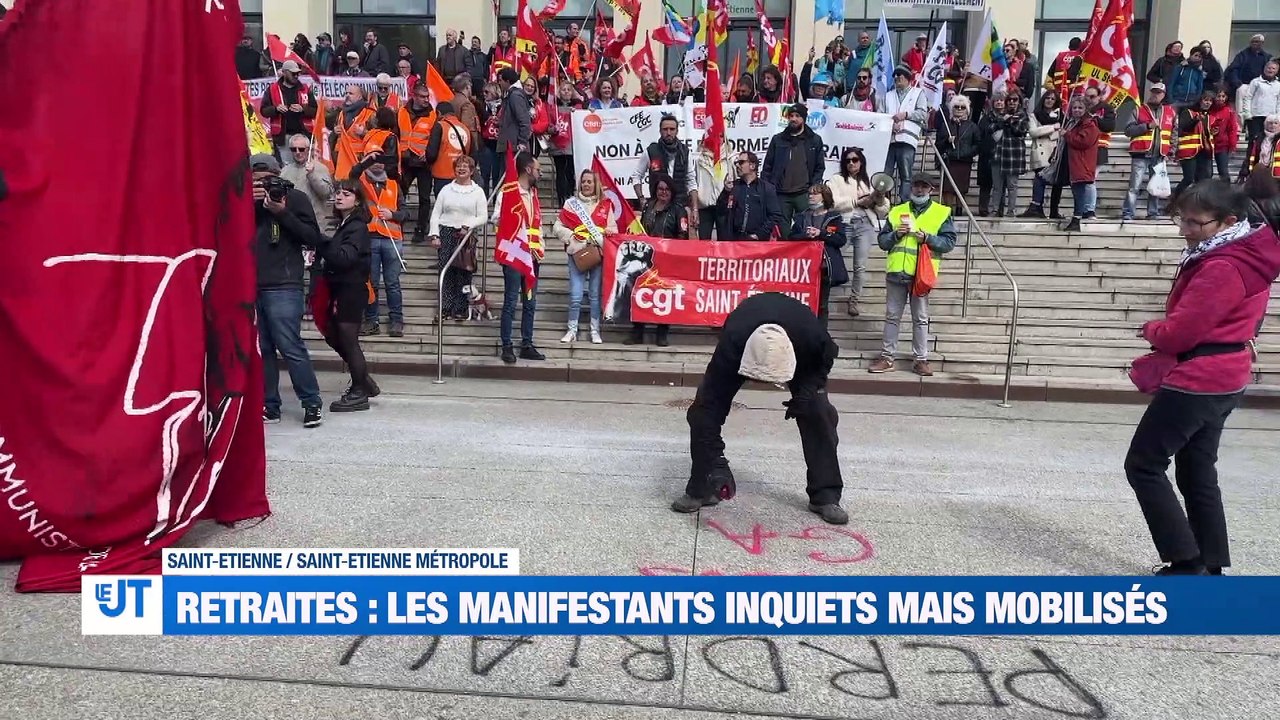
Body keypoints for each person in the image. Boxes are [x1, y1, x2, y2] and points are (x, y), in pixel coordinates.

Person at [1125, 181, 1280, 575]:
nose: (1184, 229)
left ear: (1228, 221)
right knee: (1196, 468)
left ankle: (1186, 559)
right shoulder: (1245, 254)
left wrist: (1152, 330)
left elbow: (1182, 331)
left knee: (1144, 463)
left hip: (1200, 375)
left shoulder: (1223, 265)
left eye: (1195, 223)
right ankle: (1210, 560)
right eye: (1182, 219)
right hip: (1227, 373)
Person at [673, 292, 847, 525]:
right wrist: (716, 461)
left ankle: (825, 496)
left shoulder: (813, 338)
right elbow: (710, 407)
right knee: (702, 411)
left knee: (819, 413)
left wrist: (806, 394)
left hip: (801, 354)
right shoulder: (733, 340)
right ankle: (703, 486)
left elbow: (823, 364)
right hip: (744, 346)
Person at [250, 154, 324, 427]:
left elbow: (312, 237)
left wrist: (281, 212)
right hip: (251, 283)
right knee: (263, 348)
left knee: (290, 346)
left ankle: (311, 402)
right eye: (257, 181)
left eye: (268, 180)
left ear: (278, 174)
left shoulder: (295, 198)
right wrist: (248, 204)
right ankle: (270, 405)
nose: (264, 186)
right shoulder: (243, 201)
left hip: (284, 283)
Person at [867, 176, 956, 377]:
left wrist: (928, 238)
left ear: (931, 190)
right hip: (897, 272)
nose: (919, 190)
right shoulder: (897, 211)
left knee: (921, 318)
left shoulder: (941, 213)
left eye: (924, 186)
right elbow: (882, 241)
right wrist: (896, 234)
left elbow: (949, 242)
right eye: (916, 186)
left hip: (921, 274)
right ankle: (887, 357)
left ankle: (921, 360)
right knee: (892, 317)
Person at [317, 180, 378, 412]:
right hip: (342, 287)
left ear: (358, 200)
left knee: (348, 339)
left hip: (351, 289)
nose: (340, 197)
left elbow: (345, 258)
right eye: (338, 193)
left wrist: (322, 242)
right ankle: (363, 380)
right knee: (335, 335)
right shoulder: (346, 224)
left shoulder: (357, 226)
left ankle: (359, 390)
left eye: (346, 194)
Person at [494, 151, 546, 364]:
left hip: (532, 256)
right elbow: (497, 218)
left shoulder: (533, 194)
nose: (540, 173)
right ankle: (507, 345)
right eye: (538, 169)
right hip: (515, 255)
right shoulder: (508, 191)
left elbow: (538, 224)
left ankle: (527, 343)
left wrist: (540, 247)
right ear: (527, 169)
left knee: (530, 302)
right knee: (510, 301)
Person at [554, 169, 616, 345]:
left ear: (595, 184)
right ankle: (571, 329)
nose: (586, 185)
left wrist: (608, 232)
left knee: (595, 295)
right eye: (583, 181)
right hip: (577, 254)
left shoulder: (605, 205)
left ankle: (595, 330)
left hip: (597, 254)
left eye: (589, 182)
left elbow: (614, 229)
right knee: (575, 295)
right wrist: (572, 235)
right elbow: (557, 227)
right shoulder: (570, 204)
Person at [629, 174, 689, 347]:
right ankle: (637, 332)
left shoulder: (679, 210)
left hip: (667, 259)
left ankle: (662, 333)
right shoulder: (648, 206)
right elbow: (640, 228)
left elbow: (682, 235)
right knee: (640, 293)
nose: (663, 192)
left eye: (667, 189)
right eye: (660, 189)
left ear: (672, 192)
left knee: (663, 296)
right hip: (646, 258)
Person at [828, 148, 888, 318]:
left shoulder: (869, 182)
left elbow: (884, 211)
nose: (851, 163)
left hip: (865, 225)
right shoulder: (837, 179)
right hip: (844, 224)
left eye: (855, 160)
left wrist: (878, 199)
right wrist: (857, 201)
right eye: (848, 160)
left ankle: (854, 299)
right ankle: (824, 291)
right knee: (832, 259)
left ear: (861, 162)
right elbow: (832, 203)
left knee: (860, 266)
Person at [427, 155, 487, 322]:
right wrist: (434, 234)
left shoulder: (478, 192)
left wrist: (468, 224)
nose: (461, 169)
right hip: (446, 232)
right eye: (458, 166)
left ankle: (460, 308)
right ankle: (445, 307)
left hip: (466, 236)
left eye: (465, 167)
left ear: (472, 171)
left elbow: (483, 216)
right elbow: (436, 214)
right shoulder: (446, 190)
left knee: (464, 272)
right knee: (445, 271)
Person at [356, 153, 409, 337]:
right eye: (373, 160)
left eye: (380, 161)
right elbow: (350, 176)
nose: (377, 164)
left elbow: (405, 213)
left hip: (392, 239)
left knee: (392, 283)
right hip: (369, 238)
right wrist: (364, 161)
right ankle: (372, 320)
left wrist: (392, 214)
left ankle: (396, 320)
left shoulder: (394, 185)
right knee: (371, 283)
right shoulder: (361, 184)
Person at [789, 184, 846, 327]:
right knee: (803, 305)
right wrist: (805, 235)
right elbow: (791, 238)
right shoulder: (801, 217)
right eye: (809, 194)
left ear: (824, 197)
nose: (811, 196)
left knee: (822, 305)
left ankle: (821, 337)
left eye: (815, 194)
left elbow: (840, 239)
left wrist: (821, 234)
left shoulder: (834, 217)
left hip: (823, 268)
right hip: (804, 268)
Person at [762, 104, 825, 229]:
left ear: (804, 119)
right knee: (781, 231)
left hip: (803, 194)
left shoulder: (814, 140)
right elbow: (767, 167)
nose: (793, 119)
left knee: (804, 228)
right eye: (791, 116)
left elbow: (819, 167)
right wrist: (768, 189)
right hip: (780, 194)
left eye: (797, 116)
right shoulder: (778, 140)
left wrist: (813, 187)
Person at [633, 114, 699, 230]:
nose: (668, 132)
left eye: (672, 129)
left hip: (680, 206)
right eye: (665, 129)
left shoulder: (685, 152)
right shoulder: (651, 151)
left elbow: (691, 181)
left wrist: (694, 209)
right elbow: (636, 176)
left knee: (681, 242)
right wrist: (642, 199)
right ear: (660, 131)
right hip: (657, 207)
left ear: (677, 131)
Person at [1123, 83, 1176, 220]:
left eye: (1158, 93)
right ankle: (1128, 213)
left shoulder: (1170, 112)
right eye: (1153, 92)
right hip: (1140, 154)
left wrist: (1171, 151)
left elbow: (1174, 133)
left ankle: (1152, 213)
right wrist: (1147, 126)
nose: (1154, 95)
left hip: (1160, 156)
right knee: (1134, 186)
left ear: (1163, 95)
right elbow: (1128, 131)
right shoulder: (1139, 109)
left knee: (1156, 187)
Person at [877, 67, 929, 201]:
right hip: (889, 140)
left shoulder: (918, 93)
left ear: (908, 79)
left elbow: (923, 113)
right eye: (896, 76)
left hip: (907, 139)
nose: (897, 78)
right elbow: (880, 115)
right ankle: (882, 201)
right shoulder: (888, 95)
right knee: (885, 173)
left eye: (901, 76)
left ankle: (904, 201)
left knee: (906, 174)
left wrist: (906, 114)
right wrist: (890, 125)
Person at [397, 82, 437, 244]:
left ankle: (420, 229)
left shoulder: (433, 115)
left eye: (427, 97)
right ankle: (398, 224)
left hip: (423, 162)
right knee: (400, 194)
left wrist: (428, 154)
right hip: (406, 160)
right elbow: (396, 133)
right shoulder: (402, 112)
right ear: (414, 96)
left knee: (424, 198)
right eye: (422, 97)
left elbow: (434, 139)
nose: (426, 100)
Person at [717, 151, 783, 241]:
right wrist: (726, 192)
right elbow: (720, 210)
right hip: (733, 241)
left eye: (741, 162)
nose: (737, 166)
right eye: (736, 163)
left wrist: (759, 235)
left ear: (752, 166)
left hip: (757, 243)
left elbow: (775, 215)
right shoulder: (733, 186)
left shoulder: (767, 188)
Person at [983, 92, 1030, 217]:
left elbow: (1019, 131)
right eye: (1009, 100)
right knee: (997, 186)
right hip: (998, 154)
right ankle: (995, 210)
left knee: (1012, 185)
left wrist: (1007, 121)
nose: (1012, 102)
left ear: (1019, 101)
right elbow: (990, 129)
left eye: (1015, 100)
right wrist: (1003, 121)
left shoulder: (1022, 116)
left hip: (1013, 155)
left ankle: (1011, 210)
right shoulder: (1000, 115)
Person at [260, 60, 317, 161]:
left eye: (298, 73)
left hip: (303, 135)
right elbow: (263, 111)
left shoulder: (305, 89)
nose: (296, 76)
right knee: (286, 166)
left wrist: (303, 109)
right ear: (284, 72)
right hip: (283, 137)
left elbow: (315, 111)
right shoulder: (272, 89)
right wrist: (276, 109)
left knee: (306, 165)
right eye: (293, 73)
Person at [1021, 91, 1064, 219]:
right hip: (1040, 153)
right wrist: (1053, 128)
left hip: (1056, 152)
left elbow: (1062, 132)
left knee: (1058, 183)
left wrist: (1053, 131)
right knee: (1040, 179)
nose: (1049, 100)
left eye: (1052, 98)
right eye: (1047, 98)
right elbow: (1033, 132)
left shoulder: (1060, 116)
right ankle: (1036, 207)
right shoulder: (1034, 115)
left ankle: (1054, 211)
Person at [1061, 96, 1101, 233]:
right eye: (1074, 108)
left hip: (1082, 163)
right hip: (1074, 162)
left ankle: (1077, 218)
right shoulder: (1074, 123)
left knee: (1079, 192)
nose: (1076, 110)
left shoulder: (1090, 124)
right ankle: (1076, 217)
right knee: (1076, 191)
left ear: (1086, 109)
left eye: (1080, 108)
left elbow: (1082, 142)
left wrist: (1067, 135)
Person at [279, 134, 334, 227]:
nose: (297, 152)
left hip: (315, 223)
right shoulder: (285, 171)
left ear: (308, 149)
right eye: (293, 149)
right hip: (292, 222)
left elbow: (326, 193)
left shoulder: (320, 168)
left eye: (301, 149)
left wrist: (312, 175)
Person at [424, 100, 473, 200]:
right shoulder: (465, 128)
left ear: (439, 113)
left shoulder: (440, 126)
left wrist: (428, 163)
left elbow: (431, 154)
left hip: (442, 175)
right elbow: (473, 154)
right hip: (461, 176)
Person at [1173, 91, 1216, 199]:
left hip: (1204, 152)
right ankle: (1174, 200)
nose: (1208, 103)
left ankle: (1197, 204)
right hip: (1189, 151)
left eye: (1210, 101)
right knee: (1188, 179)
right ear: (1200, 101)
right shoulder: (1188, 112)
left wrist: (1213, 132)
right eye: (1206, 100)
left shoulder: (1210, 117)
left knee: (1203, 181)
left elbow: (1205, 134)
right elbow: (1183, 127)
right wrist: (1195, 120)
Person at [693, 135, 735, 239]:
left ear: (725, 138)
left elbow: (737, 181)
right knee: (704, 242)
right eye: (713, 135)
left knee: (725, 242)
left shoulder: (731, 158)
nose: (717, 138)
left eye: (721, 136)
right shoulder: (697, 159)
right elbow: (693, 181)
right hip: (704, 206)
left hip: (724, 206)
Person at [548, 81, 582, 207]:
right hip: (558, 145)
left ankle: (570, 196)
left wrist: (577, 113)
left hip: (572, 145)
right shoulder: (553, 108)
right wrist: (552, 129)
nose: (566, 92)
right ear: (559, 92)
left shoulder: (577, 107)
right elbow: (549, 127)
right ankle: (561, 199)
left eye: (569, 89)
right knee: (560, 172)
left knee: (570, 172)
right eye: (563, 89)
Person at [1240, 60, 1280, 166]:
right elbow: (1248, 97)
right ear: (1264, 68)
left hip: (1271, 119)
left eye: (1273, 68)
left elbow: (1279, 102)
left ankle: (1267, 166)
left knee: (1270, 143)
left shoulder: (1278, 85)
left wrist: (1278, 117)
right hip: (1256, 117)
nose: (1270, 70)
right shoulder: (1256, 82)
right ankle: (1248, 168)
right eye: (1268, 68)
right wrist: (1247, 114)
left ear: (1277, 71)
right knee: (1254, 142)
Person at [332, 84, 374, 180]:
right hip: (340, 159)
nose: (347, 95)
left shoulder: (370, 114)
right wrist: (334, 132)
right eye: (346, 93)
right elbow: (333, 138)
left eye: (351, 93)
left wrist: (364, 133)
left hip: (358, 160)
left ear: (359, 97)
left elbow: (378, 138)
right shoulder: (341, 113)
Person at [1225, 34, 1272, 104]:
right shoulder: (1242, 55)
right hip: (1244, 86)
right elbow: (1233, 69)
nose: (1256, 44)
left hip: (1259, 88)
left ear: (1262, 43)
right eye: (1254, 42)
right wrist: (1238, 84)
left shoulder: (1266, 57)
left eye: (1258, 42)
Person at [496, 68, 532, 156]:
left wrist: (522, 141)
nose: (499, 83)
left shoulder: (515, 96)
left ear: (507, 81)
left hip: (514, 146)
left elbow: (524, 120)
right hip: (510, 144)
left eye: (501, 80)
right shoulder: (511, 94)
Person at [360, 107, 401, 180]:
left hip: (373, 175)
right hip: (378, 176)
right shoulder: (388, 136)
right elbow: (390, 161)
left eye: (376, 116)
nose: (373, 118)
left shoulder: (371, 134)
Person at [1209, 87, 1241, 182]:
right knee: (1207, 172)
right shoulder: (1209, 110)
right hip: (1207, 145)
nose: (1221, 98)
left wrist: (1232, 145)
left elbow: (1232, 129)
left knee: (1223, 171)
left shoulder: (1229, 111)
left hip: (1222, 145)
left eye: (1223, 96)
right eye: (1219, 96)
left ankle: (1226, 192)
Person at [1239, 114, 1280, 182]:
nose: (1273, 125)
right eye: (1270, 123)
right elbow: (1251, 155)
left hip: (1276, 175)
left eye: (1276, 123)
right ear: (1266, 125)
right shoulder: (1258, 138)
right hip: (1260, 171)